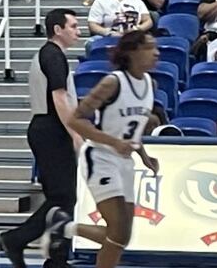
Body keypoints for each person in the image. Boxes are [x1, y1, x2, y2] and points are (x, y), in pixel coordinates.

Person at [42, 31, 160, 268]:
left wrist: (144, 156)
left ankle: (63, 228)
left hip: (124, 162)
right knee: (116, 231)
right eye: (149, 47)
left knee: (122, 236)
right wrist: (113, 142)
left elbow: (131, 129)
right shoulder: (112, 83)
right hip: (100, 157)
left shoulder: (149, 83)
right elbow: (76, 120)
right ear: (132, 52)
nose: (156, 52)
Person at [0, 9, 81, 268]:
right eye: (73, 26)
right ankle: (17, 239)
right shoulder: (53, 55)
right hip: (52, 129)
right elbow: (59, 97)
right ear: (58, 29)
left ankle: (54, 256)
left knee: (61, 196)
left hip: (45, 127)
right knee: (63, 196)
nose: (77, 31)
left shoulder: (47, 55)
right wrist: (75, 133)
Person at [86, 0, 153, 53]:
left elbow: (148, 21)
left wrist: (137, 29)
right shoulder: (101, 1)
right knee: (90, 43)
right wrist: (108, 32)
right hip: (109, 37)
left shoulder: (136, 0)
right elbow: (92, 24)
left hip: (133, 36)